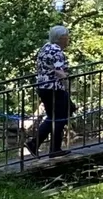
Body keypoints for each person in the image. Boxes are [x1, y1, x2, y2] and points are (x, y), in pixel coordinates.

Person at [23, 25, 73, 156]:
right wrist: (68, 84)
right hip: (54, 89)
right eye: (67, 37)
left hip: (43, 88)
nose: (68, 40)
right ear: (61, 38)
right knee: (59, 117)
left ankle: (37, 144)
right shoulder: (56, 51)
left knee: (57, 115)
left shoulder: (45, 47)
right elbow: (59, 72)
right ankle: (52, 148)